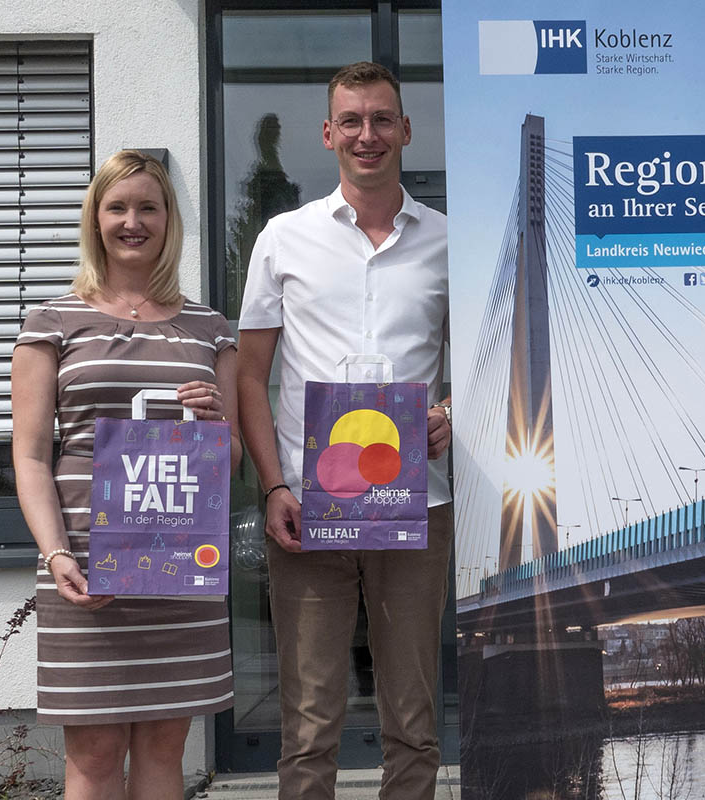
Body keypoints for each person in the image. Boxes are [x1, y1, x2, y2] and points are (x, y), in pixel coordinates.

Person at [236, 61, 452, 800]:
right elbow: (249, 377)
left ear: (407, 131)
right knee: (308, 724)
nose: (368, 135)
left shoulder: (451, 242)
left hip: (416, 504)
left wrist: (449, 415)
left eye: (382, 119)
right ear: (329, 134)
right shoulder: (282, 239)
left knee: (414, 718)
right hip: (311, 509)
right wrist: (271, 486)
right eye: (352, 121)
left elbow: (483, 369)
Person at [11, 149, 240, 800]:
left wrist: (213, 427)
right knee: (94, 752)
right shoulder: (51, 322)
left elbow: (229, 462)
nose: (133, 221)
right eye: (118, 207)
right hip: (83, 564)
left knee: (165, 748)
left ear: (170, 221)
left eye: (148, 207)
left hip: (178, 568)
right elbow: (30, 456)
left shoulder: (209, 329)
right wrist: (57, 555)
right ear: (96, 218)